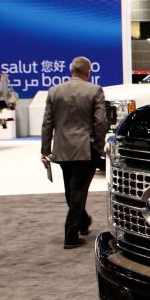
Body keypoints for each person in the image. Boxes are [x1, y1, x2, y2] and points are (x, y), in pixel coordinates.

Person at [40, 56, 107, 249]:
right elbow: (100, 122)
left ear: (72, 71)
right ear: (88, 72)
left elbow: (47, 123)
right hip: (85, 148)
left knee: (71, 190)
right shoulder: (95, 90)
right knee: (78, 191)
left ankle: (83, 221)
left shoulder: (54, 91)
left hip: (62, 148)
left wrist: (45, 149)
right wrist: (99, 146)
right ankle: (70, 234)